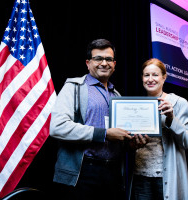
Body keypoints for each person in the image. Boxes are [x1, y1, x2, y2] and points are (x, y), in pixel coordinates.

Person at [49, 39, 133, 200]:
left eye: (108, 59)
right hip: (83, 172)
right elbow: (57, 127)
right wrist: (104, 134)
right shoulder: (73, 87)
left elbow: (118, 137)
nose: (104, 63)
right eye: (98, 58)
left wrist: (131, 143)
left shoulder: (118, 96)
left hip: (113, 173)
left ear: (114, 64)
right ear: (88, 63)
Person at [130, 58, 188, 200]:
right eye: (146, 75)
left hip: (166, 177)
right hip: (140, 176)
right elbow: (128, 145)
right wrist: (132, 144)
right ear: (142, 78)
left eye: (155, 75)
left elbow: (187, 142)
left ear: (164, 77)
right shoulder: (135, 106)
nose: (150, 79)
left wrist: (171, 118)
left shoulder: (178, 103)